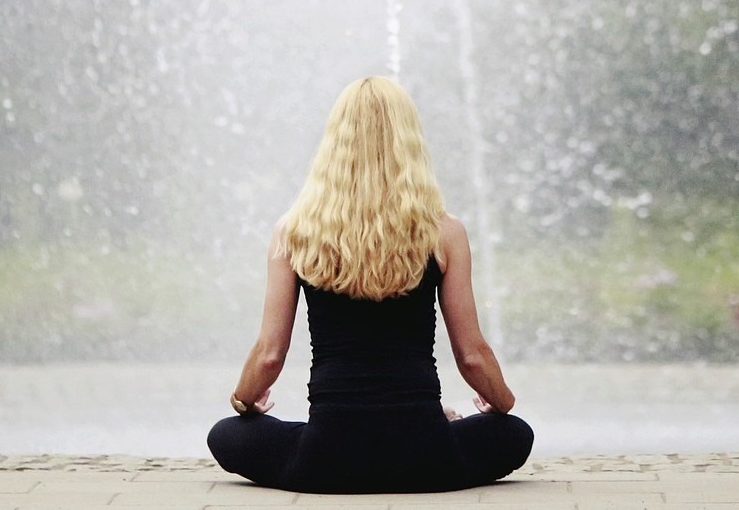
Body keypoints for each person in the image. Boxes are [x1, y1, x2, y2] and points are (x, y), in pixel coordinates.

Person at [207, 76, 533, 493]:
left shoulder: (294, 231)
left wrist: (244, 401)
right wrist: (500, 404)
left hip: (326, 460)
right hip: (427, 456)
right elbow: (472, 355)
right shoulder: (444, 232)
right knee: (516, 433)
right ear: (408, 141)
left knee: (225, 433)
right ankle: (446, 428)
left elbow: (269, 355)